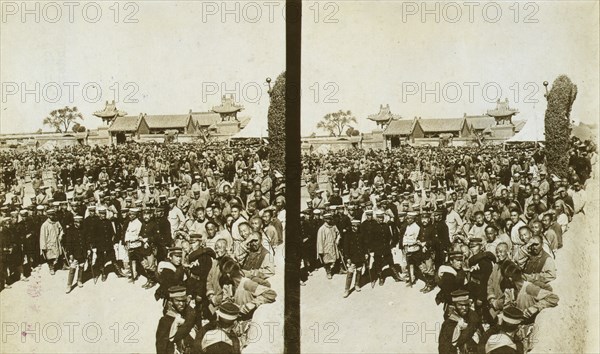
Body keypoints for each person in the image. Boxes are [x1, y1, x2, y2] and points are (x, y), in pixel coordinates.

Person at [155, 285, 197, 354]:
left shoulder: (190, 315)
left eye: (183, 301)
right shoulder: (165, 321)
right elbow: (161, 347)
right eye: (178, 301)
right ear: (171, 302)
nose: (181, 304)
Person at [438, 289, 482, 354]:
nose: (464, 308)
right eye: (460, 305)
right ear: (454, 305)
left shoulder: (473, 317)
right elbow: (444, 349)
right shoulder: (449, 324)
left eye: (466, 305)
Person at [63, 215, 88, 293]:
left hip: (82, 252)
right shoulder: (70, 231)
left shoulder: (84, 230)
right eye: (76, 222)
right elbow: (68, 243)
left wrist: (88, 250)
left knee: (81, 267)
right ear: (74, 222)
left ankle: (79, 280)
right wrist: (70, 254)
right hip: (74, 253)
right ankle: (69, 285)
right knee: (72, 269)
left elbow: (86, 241)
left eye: (79, 222)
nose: (78, 224)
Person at [342, 220, 366, 297]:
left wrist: (366, 253)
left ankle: (357, 284)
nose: (354, 228)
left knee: (359, 271)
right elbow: (345, 248)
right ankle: (347, 289)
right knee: (350, 273)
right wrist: (347, 258)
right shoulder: (348, 235)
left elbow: (364, 245)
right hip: (352, 257)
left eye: (356, 226)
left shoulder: (361, 234)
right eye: (353, 226)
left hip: (360, 256)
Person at [39, 209, 63, 275]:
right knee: (49, 256)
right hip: (49, 243)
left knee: (58, 254)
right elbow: (42, 236)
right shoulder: (45, 225)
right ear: (47, 216)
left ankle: (61, 265)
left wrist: (60, 236)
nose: (51, 216)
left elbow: (61, 229)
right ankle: (51, 268)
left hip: (56, 241)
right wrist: (43, 246)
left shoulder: (56, 222)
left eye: (52, 215)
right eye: (50, 215)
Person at [316, 213, 340, 280]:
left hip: (333, 245)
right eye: (327, 219)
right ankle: (328, 272)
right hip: (326, 247)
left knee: (336, 258)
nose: (328, 220)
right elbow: (320, 241)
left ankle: (338, 269)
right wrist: (321, 250)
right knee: (327, 260)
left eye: (329, 219)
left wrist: (337, 240)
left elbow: (338, 233)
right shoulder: (322, 229)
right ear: (324, 220)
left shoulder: (334, 226)